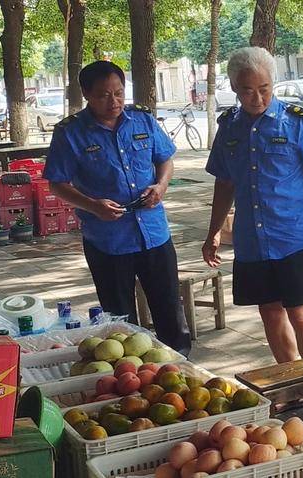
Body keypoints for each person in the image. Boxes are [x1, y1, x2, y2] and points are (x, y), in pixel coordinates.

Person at [44, 61, 191, 356]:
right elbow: (56, 183)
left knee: (169, 308)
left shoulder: (142, 121)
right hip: (107, 239)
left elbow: (165, 159)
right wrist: (92, 205)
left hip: (154, 233)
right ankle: (133, 374)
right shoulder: (70, 133)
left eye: (119, 93)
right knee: (120, 320)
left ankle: (180, 364)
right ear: (86, 94)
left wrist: (161, 186)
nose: (114, 102)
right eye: (103, 95)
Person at [202, 46, 303, 366]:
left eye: (264, 89)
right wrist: (213, 233)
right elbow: (224, 183)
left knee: (300, 314)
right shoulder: (229, 127)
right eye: (247, 90)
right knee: (270, 313)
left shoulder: (297, 122)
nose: (257, 98)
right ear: (234, 88)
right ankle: (291, 383)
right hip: (252, 241)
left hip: (294, 236)